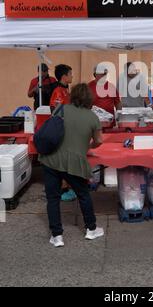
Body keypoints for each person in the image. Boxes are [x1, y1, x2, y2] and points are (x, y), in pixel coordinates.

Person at [40, 83, 103, 247]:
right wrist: (87, 146)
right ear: (89, 98)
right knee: (83, 195)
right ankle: (91, 229)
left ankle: (57, 236)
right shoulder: (92, 117)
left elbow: (50, 130)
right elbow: (99, 141)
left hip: (50, 159)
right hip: (74, 163)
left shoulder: (60, 109)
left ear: (73, 96)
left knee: (53, 198)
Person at [49, 64, 75, 201]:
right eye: (71, 74)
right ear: (64, 76)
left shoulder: (65, 89)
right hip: (61, 131)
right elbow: (56, 112)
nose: (72, 76)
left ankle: (66, 187)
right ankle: (63, 189)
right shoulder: (58, 91)